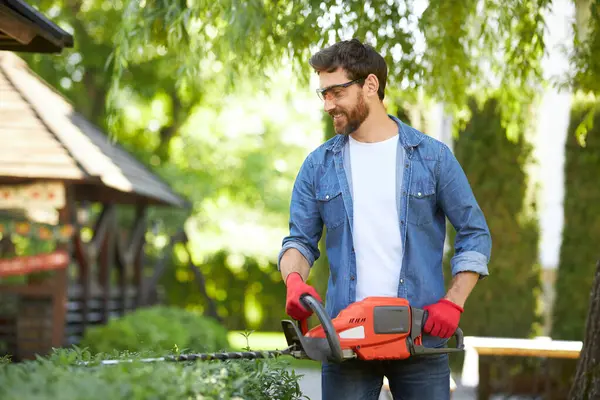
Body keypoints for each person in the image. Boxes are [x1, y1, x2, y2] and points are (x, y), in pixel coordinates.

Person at [277, 38, 492, 400]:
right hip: (346, 339)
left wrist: (453, 300)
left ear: (371, 86)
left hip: (420, 338)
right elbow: (299, 240)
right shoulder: (318, 165)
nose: (328, 104)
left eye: (336, 92)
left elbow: (475, 233)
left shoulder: (432, 158)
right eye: (323, 94)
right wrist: (294, 280)